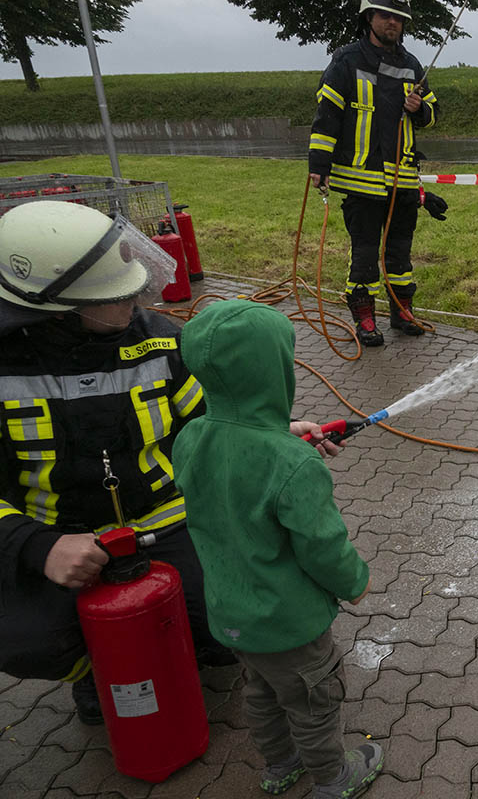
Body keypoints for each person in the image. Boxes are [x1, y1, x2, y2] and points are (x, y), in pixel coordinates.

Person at [0, 200, 341, 727]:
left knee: (230, 624)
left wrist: (269, 437)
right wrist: (37, 546)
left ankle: (183, 641)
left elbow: (209, 417)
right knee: (34, 640)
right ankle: (95, 672)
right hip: (57, 542)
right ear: (56, 306)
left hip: (167, 524)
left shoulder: (159, 342)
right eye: (117, 290)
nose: (135, 296)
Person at [173, 299, 381, 799]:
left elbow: (235, 466)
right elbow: (321, 545)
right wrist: (354, 581)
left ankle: (279, 766)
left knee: (262, 693)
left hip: (232, 614)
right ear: (273, 370)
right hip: (290, 622)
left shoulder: (190, 437)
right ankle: (334, 779)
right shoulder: (294, 465)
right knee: (312, 701)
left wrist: (274, 437)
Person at [308, 0, 446, 346]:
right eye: (385, 16)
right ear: (369, 18)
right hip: (362, 180)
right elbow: (328, 116)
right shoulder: (347, 61)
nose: (392, 23)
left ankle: (402, 311)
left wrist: (420, 108)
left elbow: (432, 113)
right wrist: (319, 165)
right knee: (366, 252)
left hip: (402, 180)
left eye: (398, 19)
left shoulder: (413, 65)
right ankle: (365, 318)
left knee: (400, 252)